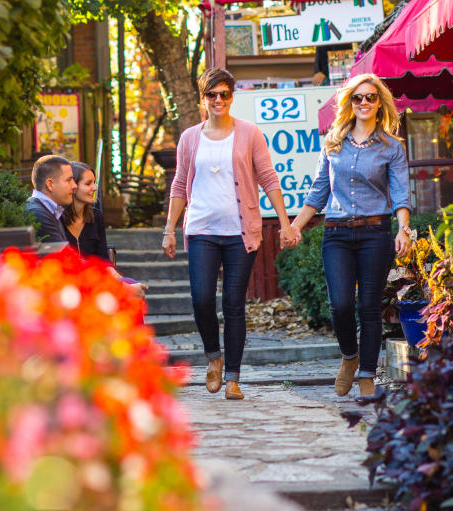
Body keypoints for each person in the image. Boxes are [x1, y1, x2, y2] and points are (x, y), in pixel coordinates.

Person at [163, 67, 300, 401]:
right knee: (202, 299)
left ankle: (234, 378)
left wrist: (285, 223)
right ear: (203, 98)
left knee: (234, 303)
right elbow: (180, 184)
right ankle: (214, 356)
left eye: (224, 94)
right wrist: (169, 228)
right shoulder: (189, 138)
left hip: (241, 232)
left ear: (232, 96)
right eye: (212, 95)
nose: (218, 100)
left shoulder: (250, 133)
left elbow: (269, 178)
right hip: (201, 230)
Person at [287, 74, 411, 398]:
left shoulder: (391, 148)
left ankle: (368, 375)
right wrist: (295, 227)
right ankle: (349, 357)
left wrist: (404, 229)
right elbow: (318, 192)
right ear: (350, 104)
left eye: (371, 97)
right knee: (340, 304)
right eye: (358, 98)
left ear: (379, 103)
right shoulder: (332, 143)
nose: (365, 103)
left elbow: (400, 194)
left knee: (369, 306)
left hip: (375, 232)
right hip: (337, 233)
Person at [62, 161, 146, 298]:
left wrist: (118, 278)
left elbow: (103, 259)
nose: (94, 188)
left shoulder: (96, 217)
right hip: (71, 282)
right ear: (73, 186)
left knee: (131, 284)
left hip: (97, 280)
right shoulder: (57, 219)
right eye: (88, 184)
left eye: (94, 182)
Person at [25, 154, 76, 244]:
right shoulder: (37, 214)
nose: (74, 185)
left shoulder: (51, 209)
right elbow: (64, 255)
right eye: (69, 180)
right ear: (50, 184)